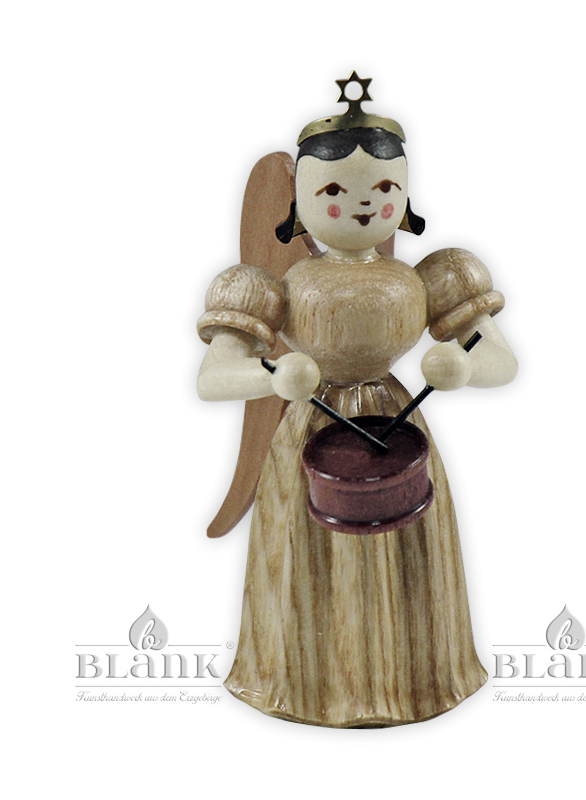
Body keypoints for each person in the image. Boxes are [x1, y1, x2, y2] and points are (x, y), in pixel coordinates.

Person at [196, 71, 517, 727]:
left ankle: (415, 683)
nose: (364, 205)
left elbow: (503, 362)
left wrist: (461, 364)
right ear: (300, 202)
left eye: (384, 189)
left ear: (407, 195)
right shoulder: (275, 286)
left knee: (408, 555)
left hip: (397, 426)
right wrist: (272, 377)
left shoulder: (430, 274)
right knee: (312, 562)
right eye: (335, 192)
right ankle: (308, 686)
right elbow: (211, 380)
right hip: (308, 432)